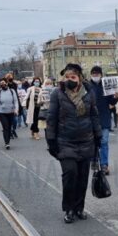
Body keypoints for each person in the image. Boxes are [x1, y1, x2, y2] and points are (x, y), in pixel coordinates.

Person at [46, 63, 101, 224]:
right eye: (67, 77)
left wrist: (98, 137)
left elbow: (94, 115)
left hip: (86, 140)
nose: (69, 79)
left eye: (73, 77)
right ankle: (69, 208)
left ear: (79, 78)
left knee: (83, 177)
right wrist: (51, 141)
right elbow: (51, 118)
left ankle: (79, 208)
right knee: (70, 175)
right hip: (65, 142)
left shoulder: (89, 93)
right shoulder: (58, 93)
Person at [88, 67, 117, 173]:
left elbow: (112, 102)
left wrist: (116, 96)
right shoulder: (87, 86)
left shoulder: (106, 85)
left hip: (104, 117)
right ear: (91, 75)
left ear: (101, 74)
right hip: (91, 118)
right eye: (93, 74)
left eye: (97, 74)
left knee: (104, 142)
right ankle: (94, 160)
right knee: (93, 142)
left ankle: (104, 164)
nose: (95, 76)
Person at [0, 78, 19, 150]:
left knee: (9, 127)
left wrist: (16, 110)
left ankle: (8, 139)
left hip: (11, 112)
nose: (2, 84)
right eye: (1, 83)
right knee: (5, 127)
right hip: (2, 113)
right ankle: (7, 143)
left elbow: (16, 101)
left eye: (3, 83)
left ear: (6, 83)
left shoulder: (12, 91)